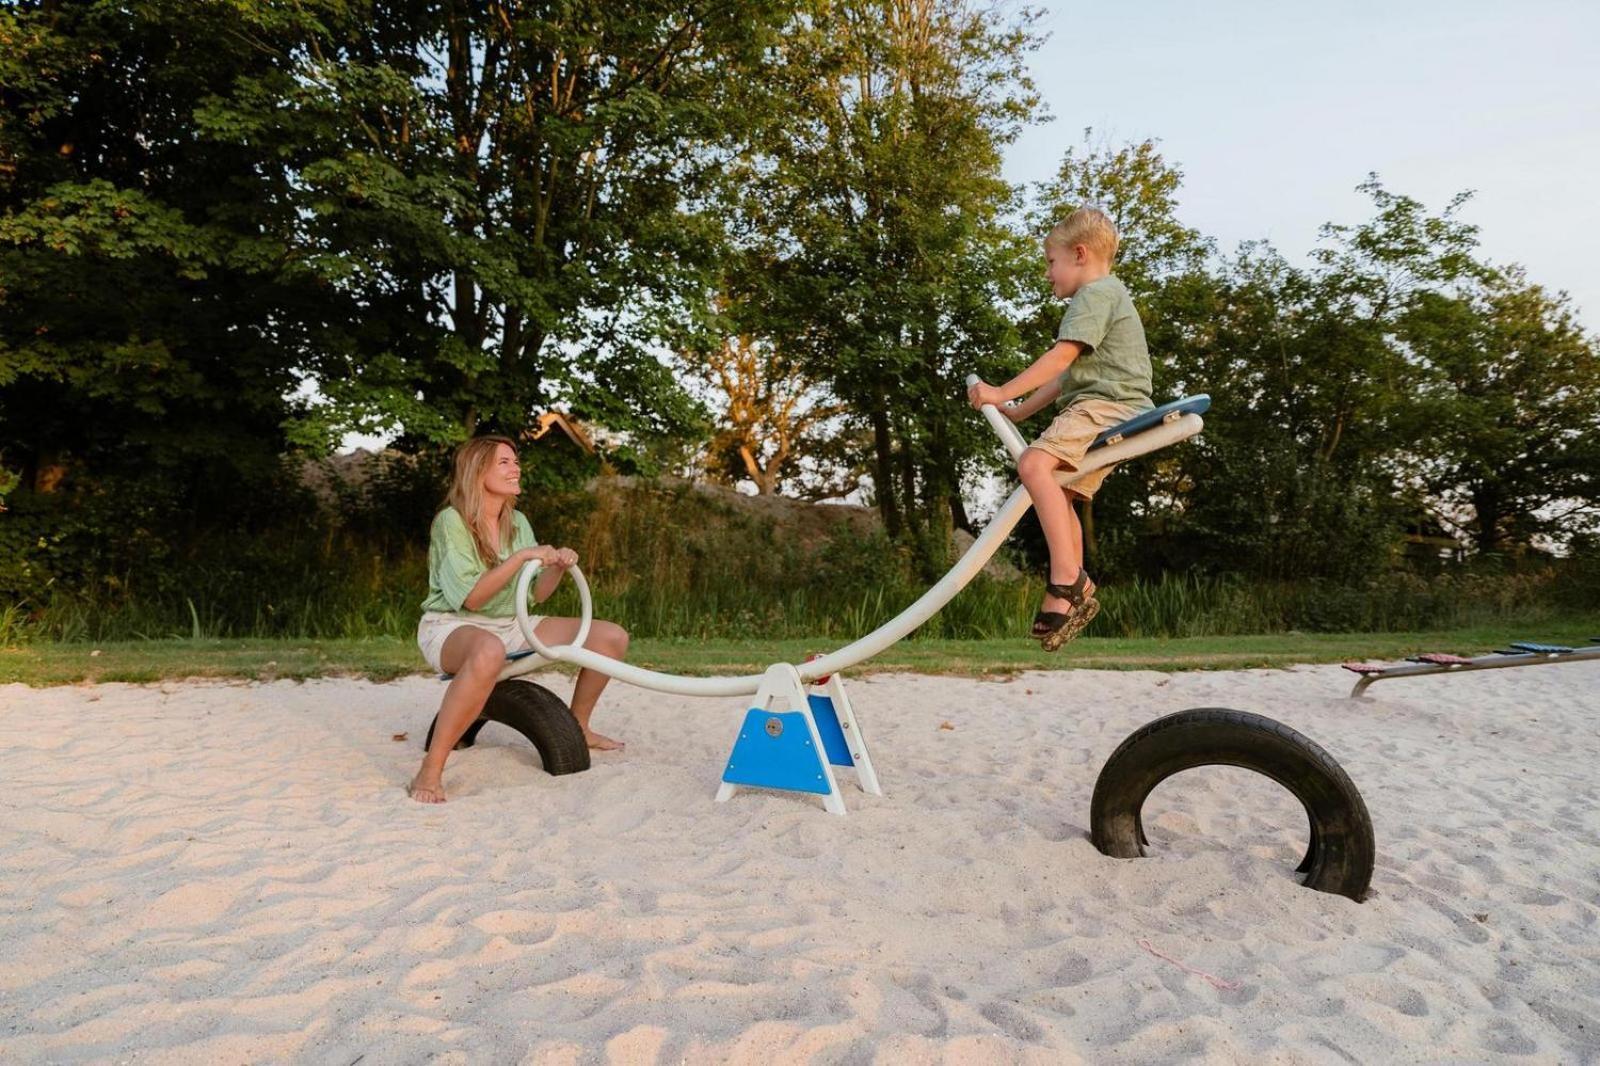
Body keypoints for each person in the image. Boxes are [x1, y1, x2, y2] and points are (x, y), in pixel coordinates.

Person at [967, 206, 1154, 650]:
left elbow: (1060, 359)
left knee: (1033, 465)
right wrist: (1018, 411)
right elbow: (1063, 379)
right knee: (1059, 489)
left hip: (1108, 406)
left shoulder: (1094, 294)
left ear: (1080, 254)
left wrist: (998, 391)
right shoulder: (1106, 297)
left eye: (1051, 262)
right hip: (1105, 403)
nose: (1048, 273)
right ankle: (1078, 585)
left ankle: (1065, 579)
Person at [410, 434, 630, 803]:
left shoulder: (519, 521)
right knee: (487, 652)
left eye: (516, 461)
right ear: (477, 471)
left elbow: (531, 597)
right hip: (453, 625)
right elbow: (474, 599)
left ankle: (578, 726)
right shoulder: (452, 522)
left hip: (513, 623)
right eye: (505, 462)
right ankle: (431, 768)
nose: (516, 468)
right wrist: (520, 558)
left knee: (611, 637)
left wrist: (556, 568)